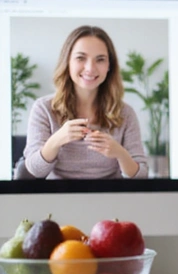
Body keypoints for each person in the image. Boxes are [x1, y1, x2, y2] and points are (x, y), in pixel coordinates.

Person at [23, 25, 149, 179]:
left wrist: (120, 153)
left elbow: (141, 176)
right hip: (58, 199)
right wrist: (56, 140)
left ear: (109, 66)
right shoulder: (44, 108)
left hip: (111, 199)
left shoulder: (125, 113)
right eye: (81, 58)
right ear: (67, 61)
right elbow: (35, 170)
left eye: (100, 60)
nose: (90, 68)